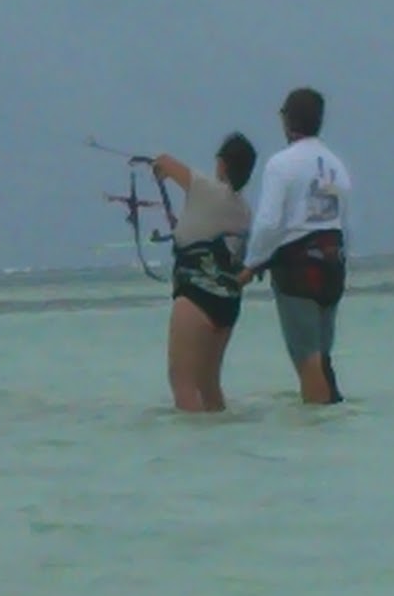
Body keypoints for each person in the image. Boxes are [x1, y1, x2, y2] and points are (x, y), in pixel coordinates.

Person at [235, 87, 353, 405]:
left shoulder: (281, 164)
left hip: (298, 268)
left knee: (306, 357)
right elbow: (341, 220)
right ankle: (332, 417)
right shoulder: (337, 165)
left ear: (287, 121)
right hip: (333, 264)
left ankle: (316, 423)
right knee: (323, 355)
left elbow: (269, 223)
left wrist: (250, 265)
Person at [146, 132, 257, 413]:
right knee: (208, 385)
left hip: (196, 295)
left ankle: (190, 438)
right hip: (228, 303)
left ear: (221, 163)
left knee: (182, 383)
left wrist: (158, 166)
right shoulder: (244, 210)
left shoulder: (206, 189)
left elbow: (165, 161)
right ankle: (219, 434)